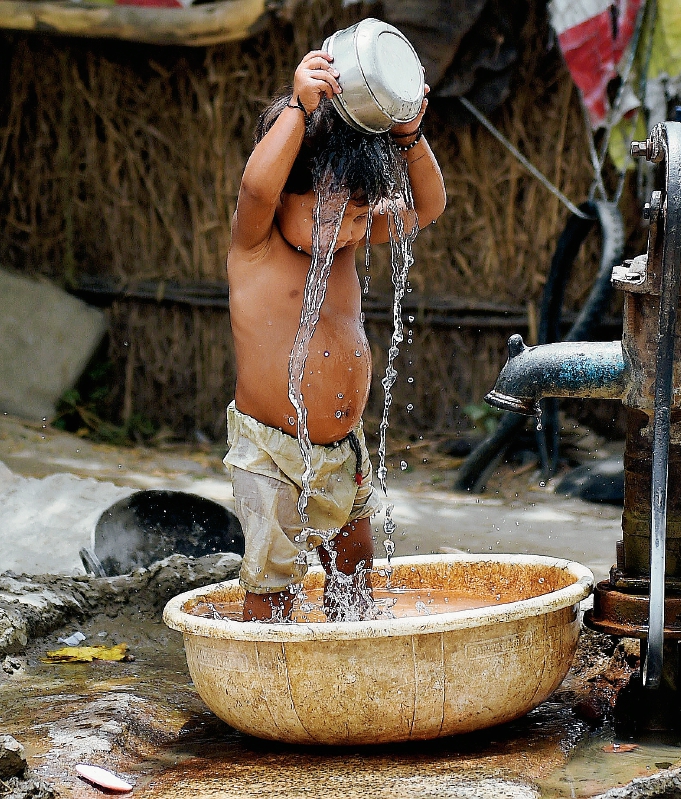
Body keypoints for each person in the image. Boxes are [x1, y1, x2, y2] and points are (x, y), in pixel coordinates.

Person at [225, 49, 446, 621]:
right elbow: (255, 189)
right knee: (270, 579)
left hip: (343, 449)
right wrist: (299, 109)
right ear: (286, 201)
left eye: (360, 213)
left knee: (356, 562)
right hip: (272, 451)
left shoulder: (346, 242)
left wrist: (409, 137)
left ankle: (350, 658)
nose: (350, 227)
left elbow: (429, 205)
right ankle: (262, 681)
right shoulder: (257, 246)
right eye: (334, 211)